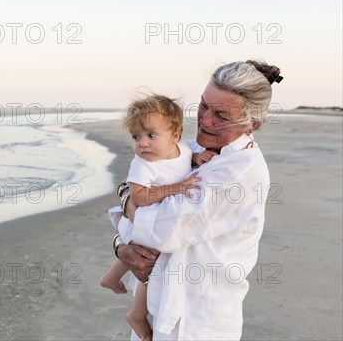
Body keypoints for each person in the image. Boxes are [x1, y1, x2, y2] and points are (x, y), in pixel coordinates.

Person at [113, 60, 283, 340]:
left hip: (197, 320)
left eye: (221, 115)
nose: (204, 120)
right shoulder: (194, 148)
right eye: (204, 105)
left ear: (253, 124)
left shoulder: (238, 172)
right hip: (159, 305)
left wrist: (131, 204)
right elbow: (136, 182)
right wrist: (120, 243)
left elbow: (158, 229)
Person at [99, 95, 213, 341]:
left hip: (152, 221)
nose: (143, 144)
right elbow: (138, 197)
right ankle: (137, 314)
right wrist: (175, 188)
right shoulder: (143, 164)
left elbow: (183, 159)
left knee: (142, 254)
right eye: (136, 137)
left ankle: (111, 277)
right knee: (147, 268)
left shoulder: (182, 150)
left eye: (151, 135)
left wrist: (195, 159)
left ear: (175, 135)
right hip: (142, 219)